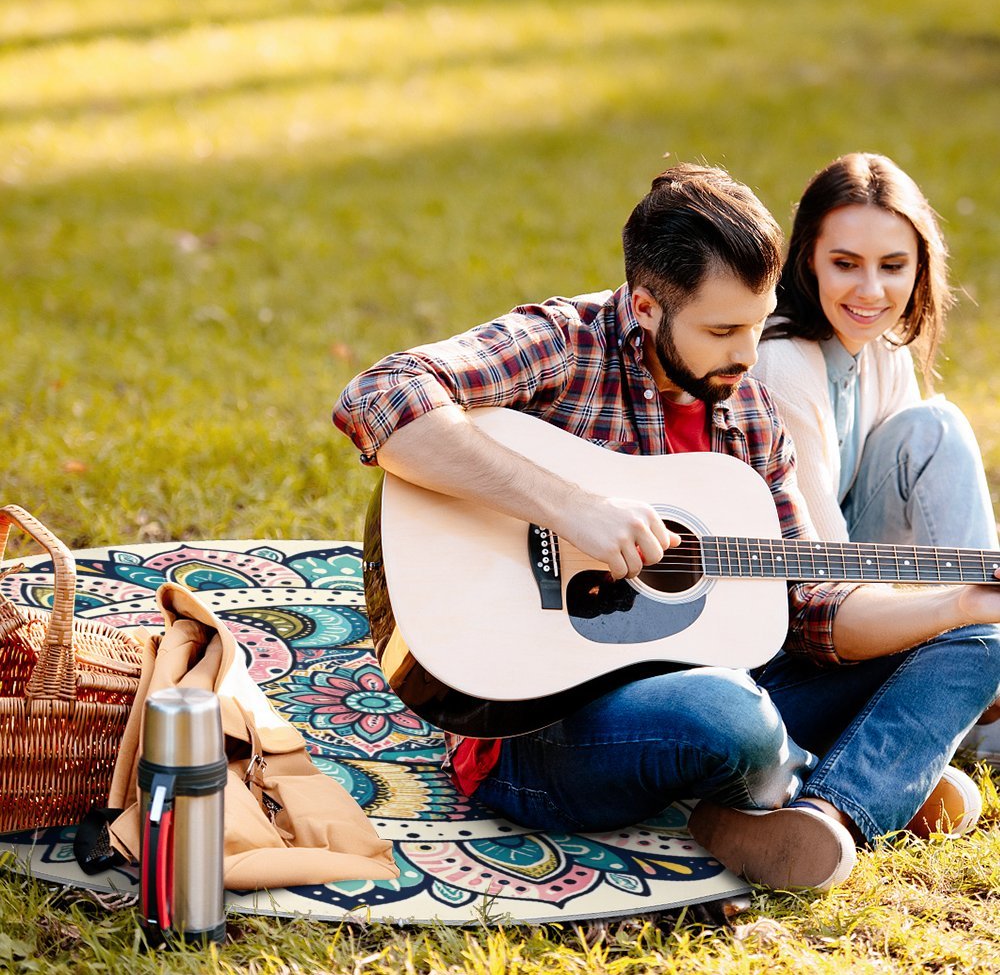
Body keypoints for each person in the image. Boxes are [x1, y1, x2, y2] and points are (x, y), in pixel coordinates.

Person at [333, 163, 1000, 892]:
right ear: (646, 306)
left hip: (723, 685)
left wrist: (956, 604)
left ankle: (830, 813)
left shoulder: (748, 412)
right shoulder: (564, 343)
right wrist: (569, 506)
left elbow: (810, 605)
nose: (748, 356)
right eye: (722, 330)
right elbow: (380, 395)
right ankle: (857, 771)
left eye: (757, 322)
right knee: (729, 716)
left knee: (980, 640)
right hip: (536, 730)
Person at [753, 152, 1000, 763]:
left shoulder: (881, 345)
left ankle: (978, 671)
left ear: (920, 267)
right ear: (807, 257)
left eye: (893, 266)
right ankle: (978, 705)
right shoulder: (783, 362)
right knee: (937, 426)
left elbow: (919, 526)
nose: (871, 291)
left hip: (856, 589)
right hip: (792, 623)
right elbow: (823, 579)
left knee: (931, 427)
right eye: (845, 264)